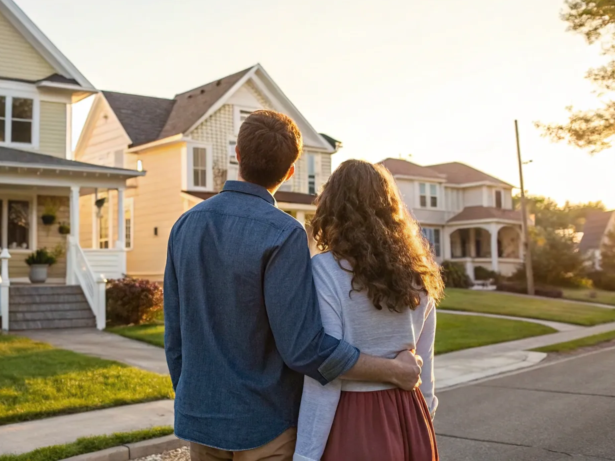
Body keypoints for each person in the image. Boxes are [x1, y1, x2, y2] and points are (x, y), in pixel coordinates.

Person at [164, 110, 424, 461]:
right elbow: (303, 348)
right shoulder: (284, 233)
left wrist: (191, 398)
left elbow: (174, 335)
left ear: (237, 155)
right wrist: (393, 370)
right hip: (265, 427)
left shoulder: (185, 225)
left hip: (200, 421)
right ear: (289, 171)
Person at [294, 159, 443, 461]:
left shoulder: (326, 269)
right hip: (410, 413)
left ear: (332, 207)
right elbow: (424, 368)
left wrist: (306, 454)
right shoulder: (419, 273)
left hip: (352, 419)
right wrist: (422, 422)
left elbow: (328, 366)